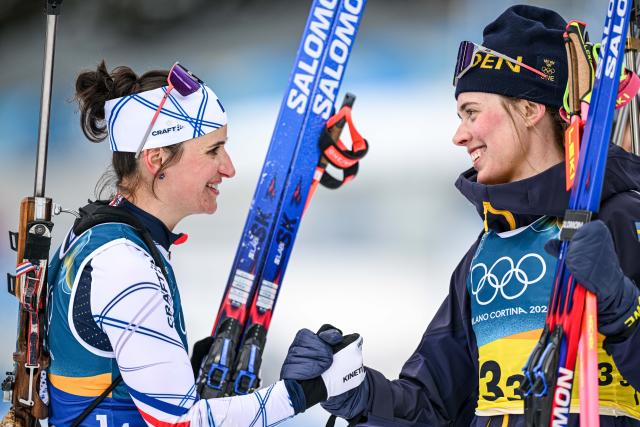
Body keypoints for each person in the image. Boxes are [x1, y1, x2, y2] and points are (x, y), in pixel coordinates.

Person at [285, 5, 640, 426]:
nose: (459, 135)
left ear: (529, 110)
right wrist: (356, 393)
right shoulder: (485, 253)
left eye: (472, 112)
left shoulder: (621, 218)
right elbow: (431, 404)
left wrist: (624, 308)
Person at [45, 61, 366, 426]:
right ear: (156, 160)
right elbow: (180, 422)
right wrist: (312, 390)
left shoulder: (103, 233)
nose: (228, 168)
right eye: (213, 151)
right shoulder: (123, 263)